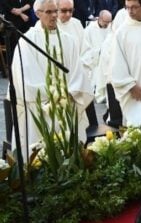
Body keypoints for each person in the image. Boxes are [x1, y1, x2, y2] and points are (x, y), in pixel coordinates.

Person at [11, 0, 94, 150]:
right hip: (40, 108)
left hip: (66, 103)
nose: (54, 15)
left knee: (70, 148)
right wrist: (54, 94)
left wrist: (69, 93)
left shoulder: (68, 40)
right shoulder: (27, 41)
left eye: (55, 11)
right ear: (37, 14)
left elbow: (77, 71)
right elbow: (25, 78)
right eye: (49, 12)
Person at [81, 9, 113, 103]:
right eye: (106, 22)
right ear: (99, 19)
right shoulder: (89, 29)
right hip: (94, 60)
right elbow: (85, 47)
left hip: (106, 58)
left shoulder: (110, 27)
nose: (107, 24)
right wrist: (97, 53)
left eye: (109, 22)